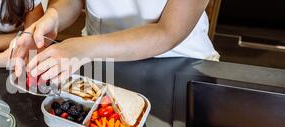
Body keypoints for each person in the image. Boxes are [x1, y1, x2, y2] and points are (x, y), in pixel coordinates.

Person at [15, 0, 219, 85]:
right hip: (98, 62)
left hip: (176, 64)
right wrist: (54, 16)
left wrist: (82, 48)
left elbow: (168, 32)